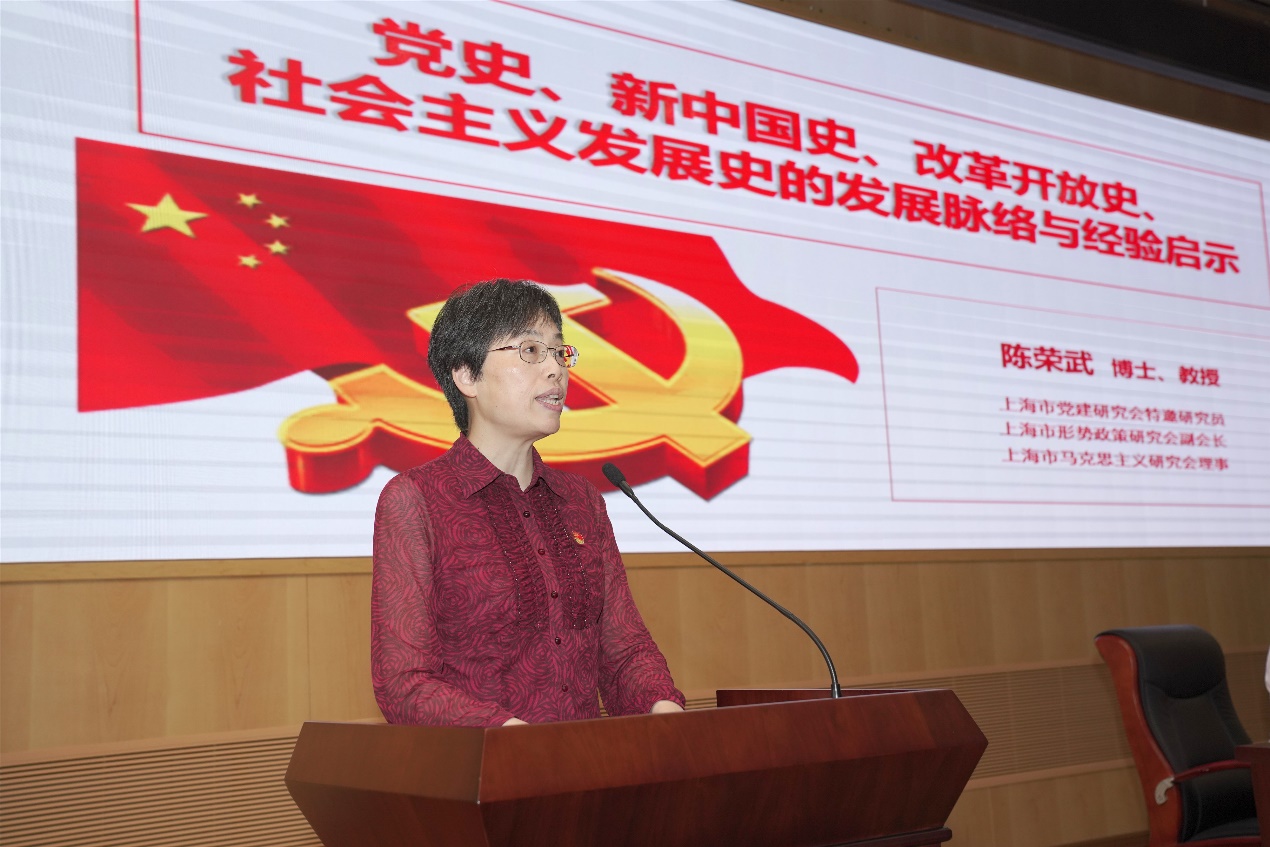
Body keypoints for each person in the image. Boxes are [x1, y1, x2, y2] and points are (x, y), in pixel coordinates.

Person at [371, 278, 686, 726]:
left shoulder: (582, 501)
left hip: (584, 762)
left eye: (559, 352)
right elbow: (404, 683)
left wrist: (663, 709)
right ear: (466, 375)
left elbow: (624, 651)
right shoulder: (416, 499)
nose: (556, 369)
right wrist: (509, 737)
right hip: (484, 763)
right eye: (531, 351)